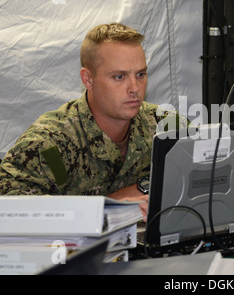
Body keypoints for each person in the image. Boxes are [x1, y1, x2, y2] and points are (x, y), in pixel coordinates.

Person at [0, 23, 171, 218]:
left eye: (140, 74)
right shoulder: (51, 142)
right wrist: (106, 208)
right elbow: (9, 211)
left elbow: (207, 170)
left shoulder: (164, 125)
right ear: (88, 79)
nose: (134, 87)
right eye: (119, 76)